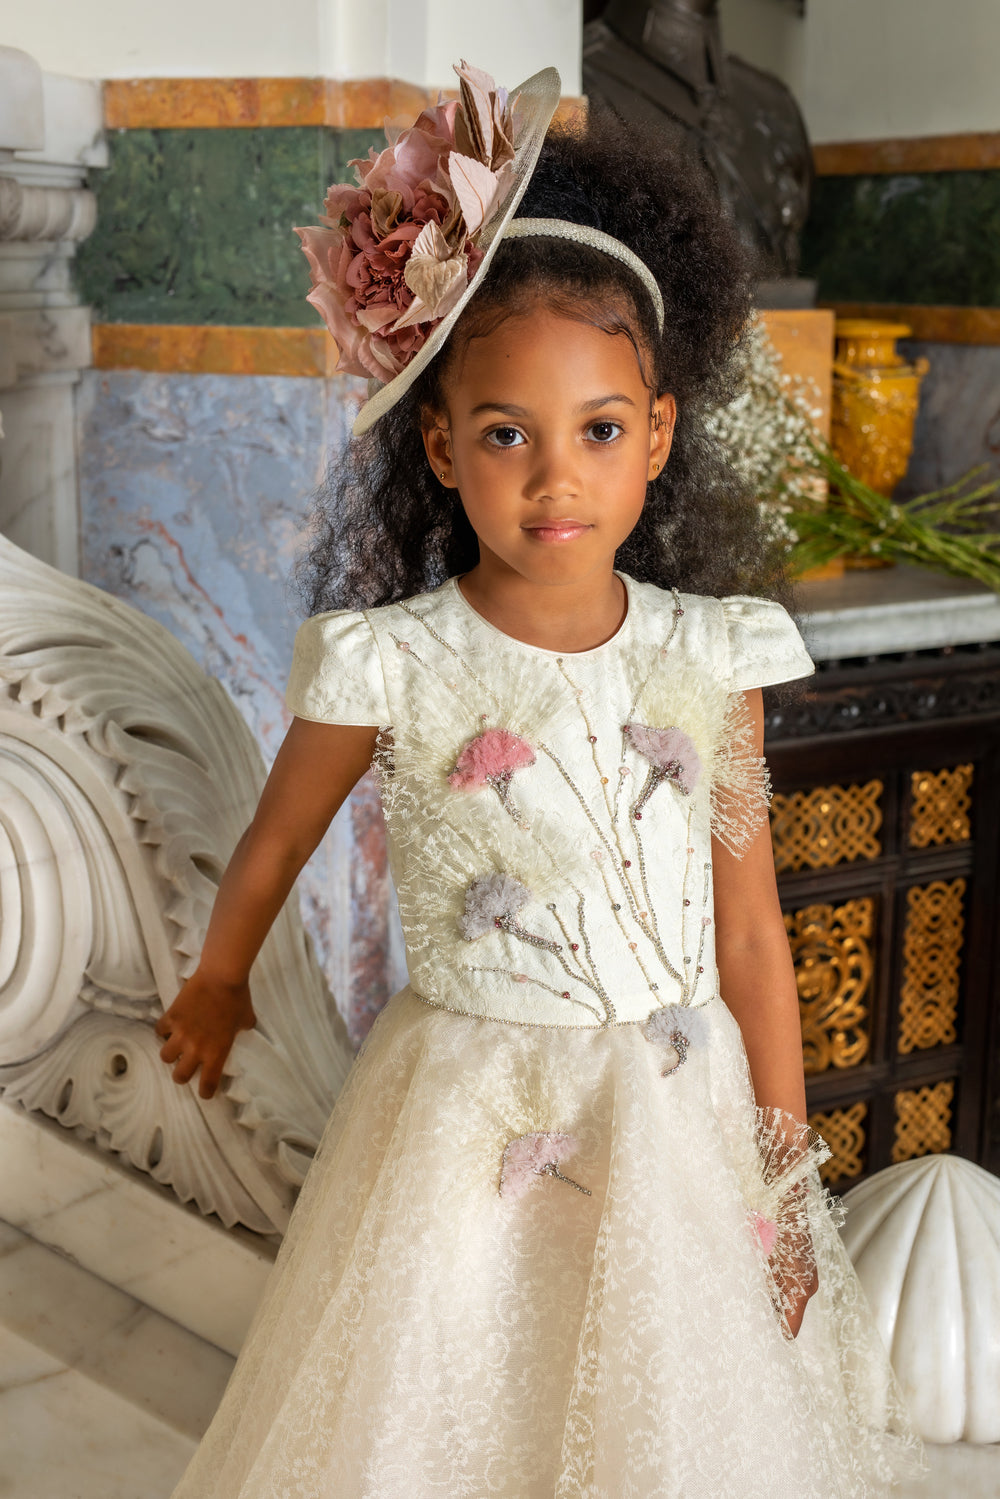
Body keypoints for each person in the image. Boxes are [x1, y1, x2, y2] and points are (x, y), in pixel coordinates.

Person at [157, 61, 922, 1499]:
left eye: (599, 432)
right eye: (506, 433)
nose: (554, 478)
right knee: (447, 1391)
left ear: (660, 440)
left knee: (661, 1415)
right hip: (465, 1105)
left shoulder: (710, 657)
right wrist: (220, 976)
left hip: (673, 1112)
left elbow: (748, 926)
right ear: (441, 445)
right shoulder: (394, 661)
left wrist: (777, 1164)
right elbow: (278, 835)